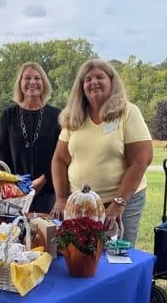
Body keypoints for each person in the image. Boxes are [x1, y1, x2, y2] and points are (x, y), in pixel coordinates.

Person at [50, 59, 153, 245]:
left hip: (121, 202)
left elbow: (141, 160)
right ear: (81, 86)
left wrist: (118, 203)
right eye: (87, 79)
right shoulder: (74, 116)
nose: (93, 82)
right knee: (80, 253)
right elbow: (59, 159)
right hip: (80, 203)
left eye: (100, 77)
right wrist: (62, 197)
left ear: (112, 82)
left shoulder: (128, 112)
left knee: (116, 257)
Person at [0, 62, 61, 214]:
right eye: (27, 78)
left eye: (37, 78)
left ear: (44, 83)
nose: (32, 82)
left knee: (44, 234)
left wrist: (42, 180)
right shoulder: (8, 115)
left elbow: (60, 154)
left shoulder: (56, 115)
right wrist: (13, 184)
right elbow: (2, 154)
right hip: (16, 192)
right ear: (20, 83)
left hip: (48, 190)